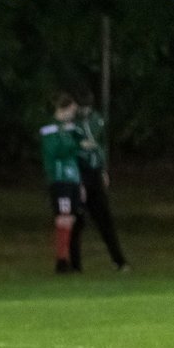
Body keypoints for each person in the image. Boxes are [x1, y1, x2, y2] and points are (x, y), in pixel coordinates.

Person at [74, 91, 130, 272]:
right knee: (77, 221)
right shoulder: (71, 124)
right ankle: (75, 265)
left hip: (94, 172)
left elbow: (101, 145)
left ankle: (119, 260)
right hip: (79, 172)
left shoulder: (97, 119)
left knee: (105, 219)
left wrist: (103, 168)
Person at [40, 93, 85, 274]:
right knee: (63, 218)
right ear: (63, 109)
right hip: (60, 180)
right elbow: (54, 153)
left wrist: (79, 182)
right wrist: (77, 146)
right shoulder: (50, 130)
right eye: (71, 110)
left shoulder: (70, 130)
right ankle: (61, 260)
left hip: (72, 178)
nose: (73, 114)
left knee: (71, 219)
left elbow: (74, 156)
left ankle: (67, 260)